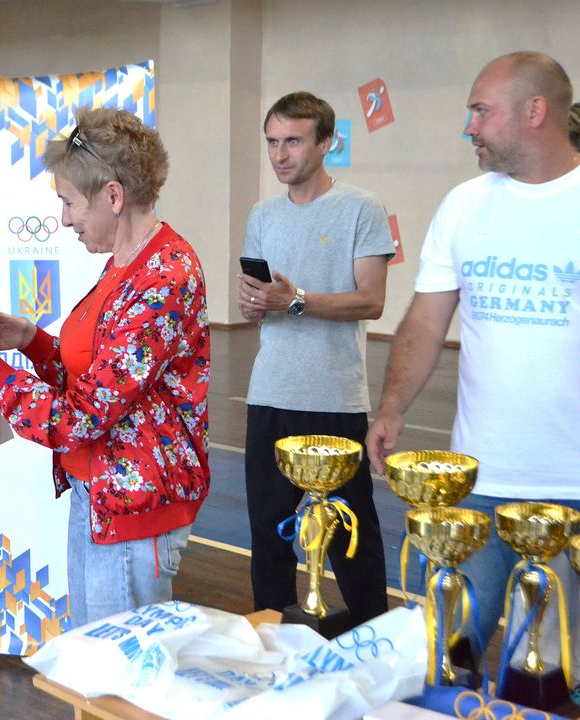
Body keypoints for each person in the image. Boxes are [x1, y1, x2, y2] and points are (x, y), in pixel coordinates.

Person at [0, 106, 210, 629]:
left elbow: (81, 417)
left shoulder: (164, 276)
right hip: (102, 496)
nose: (63, 220)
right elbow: (98, 377)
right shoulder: (127, 265)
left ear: (113, 196)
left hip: (133, 507)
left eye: (68, 203)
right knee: (95, 661)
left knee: (120, 671)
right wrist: (31, 341)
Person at [366, 52, 580, 679]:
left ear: (535, 111)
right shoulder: (464, 204)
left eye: (481, 111)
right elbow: (426, 321)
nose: (470, 127)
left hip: (570, 488)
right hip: (476, 482)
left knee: (545, 676)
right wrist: (391, 407)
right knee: (445, 659)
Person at [238, 92, 393, 626]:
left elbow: (372, 300)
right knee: (268, 531)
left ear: (326, 143)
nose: (279, 155)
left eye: (293, 141)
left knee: (352, 534)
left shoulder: (361, 208)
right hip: (270, 393)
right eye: (272, 142)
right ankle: (271, 639)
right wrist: (256, 305)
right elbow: (262, 304)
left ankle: (373, 635)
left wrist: (295, 301)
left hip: (334, 397)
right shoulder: (262, 215)